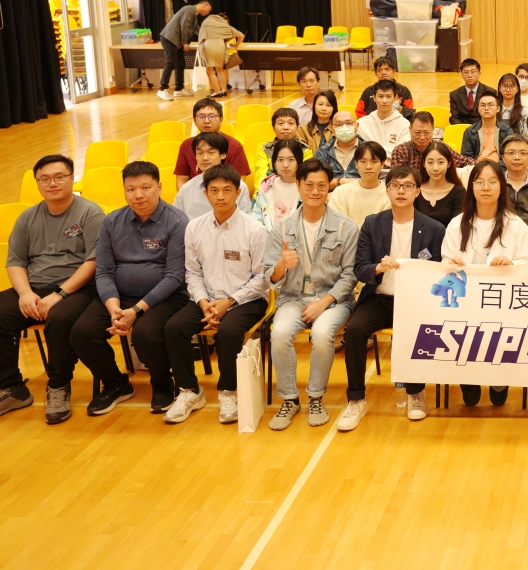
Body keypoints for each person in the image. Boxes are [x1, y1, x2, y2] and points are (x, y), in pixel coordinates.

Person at [0, 156, 105, 424]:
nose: (52, 183)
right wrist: (25, 293)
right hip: (34, 287)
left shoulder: (90, 213)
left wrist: (59, 294)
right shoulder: (27, 217)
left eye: (59, 177)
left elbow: (94, 261)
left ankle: (58, 386)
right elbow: (15, 262)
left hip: (76, 289)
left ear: (72, 178)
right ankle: (11, 388)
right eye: (44, 179)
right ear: (37, 183)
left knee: (60, 319)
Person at [72, 162, 190, 416]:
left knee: (145, 334)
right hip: (120, 296)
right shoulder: (112, 221)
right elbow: (104, 271)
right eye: (131, 189)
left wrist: (135, 311)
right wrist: (114, 308)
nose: (138, 195)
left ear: (159, 187)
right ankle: (116, 383)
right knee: (82, 333)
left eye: (146, 188)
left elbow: (174, 275)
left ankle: (163, 384)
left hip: (165, 297)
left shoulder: (177, 221)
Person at [161, 163, 269, 424]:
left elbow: (262, 278)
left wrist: (228, 302)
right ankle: (189, 390)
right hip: (206, 298)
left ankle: (227, 391)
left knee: (228, 332)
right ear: (205, 193)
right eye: (214, 190)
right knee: (174, 328)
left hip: (246, 299)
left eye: (227, 190)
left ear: (239, 192)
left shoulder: (255, 230)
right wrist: (204, 303)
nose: (220, 196)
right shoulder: (194, 227)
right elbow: (192, 272)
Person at [339, 166, 446, 430]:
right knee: (354, 331)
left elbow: (439, 272)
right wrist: (378, 267)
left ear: (418, 191)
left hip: (415, 300)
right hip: (379, 298)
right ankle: (356, 399)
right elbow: (360, 267)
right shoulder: (372, 224)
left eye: (408, 186)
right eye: (395, 185)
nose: (401, 191)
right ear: (386, 190)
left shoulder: (434, 228)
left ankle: (415, 393)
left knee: (415, 330)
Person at [265, 159, 360, 430]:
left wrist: (324, 302)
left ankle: (316, 397)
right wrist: (282, 266)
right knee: (279, 334)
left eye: (321, 186)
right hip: (293, 298)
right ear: (298, 186)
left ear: (329, 188)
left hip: (333, 300)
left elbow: (350, 275)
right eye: (309, 185)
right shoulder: (282, 228)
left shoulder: (346, 227)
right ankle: (289, 399)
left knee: (322, 334)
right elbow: (270, 276)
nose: (315, 191)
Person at [442, 160, 528, 407]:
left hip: (503, 301)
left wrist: (511, 263)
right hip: (465, 300)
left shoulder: (516, 225)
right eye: (480, 182)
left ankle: (499, 380)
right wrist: (452, 263)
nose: (486, 187)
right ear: (471, 187)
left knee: (501, 331)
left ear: (502, 187)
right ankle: (468, 379)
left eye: (492, 182)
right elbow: (445, 262)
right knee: (461, 330)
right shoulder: (456, 224)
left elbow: (526, 263)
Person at [174, 98, 251, 191]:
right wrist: (187, 198)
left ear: (221, 119)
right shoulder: (186, 145)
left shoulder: (235, 146)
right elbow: (181, 180)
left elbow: (239, 181)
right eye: (201, 116)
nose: (206, 121)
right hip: (194, 196)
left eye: (212, 116)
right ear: (194, 121)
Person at [174, 133, 253, 220]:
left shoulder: (239, 186)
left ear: (223, 155)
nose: (204, 158)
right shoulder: (186, 189)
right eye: (200, 153)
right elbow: (177, 221)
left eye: (211, 153)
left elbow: (246, 221)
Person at [157, 0, 212, 100]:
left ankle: (179, 89)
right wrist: (185, 42)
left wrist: (205, 37)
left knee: (181, 64)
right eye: (209, 10)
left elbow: (196, 28)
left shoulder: (194, 14)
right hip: (170, 38)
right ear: (205, 5)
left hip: (176, 41)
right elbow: (184, 26)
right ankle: (162, 89)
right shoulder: (189, 9)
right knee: (171, 62)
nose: (208, 13)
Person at [388, 111, 475, 174]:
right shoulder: (400, 151)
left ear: (433, 130)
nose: (422, 137)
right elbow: (396, 178)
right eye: (417, 132)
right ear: (410, 130)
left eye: (426, 132)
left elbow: (465, 162)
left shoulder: (442, 148)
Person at [328, 141, 391, 227]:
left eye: (374, 161)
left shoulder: (390, 194)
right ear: (356, 164)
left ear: (382, 164)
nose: (368, 166)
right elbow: (335, 225)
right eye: (363, 161)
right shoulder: (340, 192)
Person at [254, 139, 306, 229]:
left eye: (291, 160)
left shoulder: (307, 187)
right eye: (280, 160)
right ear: (274, 162)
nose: (285, 165)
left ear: (299, 162)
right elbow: (256, 218)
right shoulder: (266, 186)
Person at [415, 141, 467, 227]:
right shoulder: (415, 191)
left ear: (449, 163)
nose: (435, 168)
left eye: (441, 162)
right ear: (424, 164)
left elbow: (457, 227)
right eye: (430, 162)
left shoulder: (459, 192)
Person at [196, 10, 243, 98]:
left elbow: (201, 36)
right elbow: (241, 36)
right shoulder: (224, 25)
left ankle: (217, 92)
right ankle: (224, 90)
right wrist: (236, 45)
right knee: (220, 69)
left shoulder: (206, 22)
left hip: (208, 45)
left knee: (210, 71)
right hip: (220, 45)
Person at [355, 55, 415, 119]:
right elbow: (359, 112)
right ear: (376, 73)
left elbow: (409, 113)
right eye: (379, 70)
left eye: (387, 69)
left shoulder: (404, 91)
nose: (383, 73)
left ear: (394, 71)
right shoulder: (368, 91)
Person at [357, 79, 412, 150]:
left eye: (388, 97)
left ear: (394, 98)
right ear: (374, 98)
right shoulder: (362, 123)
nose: (384, 101)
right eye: (380, 96)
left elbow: (402, 152)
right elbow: (360, 151)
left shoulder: (404, 124)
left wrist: (372, 150)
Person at [317, 110, 365, 189]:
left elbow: (375, 180)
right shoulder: (322, 152)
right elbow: (317, 183)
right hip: (331, 194)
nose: (344, 128)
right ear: (332, 128)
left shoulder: (369, 150)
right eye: (339, 124)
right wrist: (340, 182)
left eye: (349, 123)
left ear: (357, 126)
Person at [461, 92, 515, 161]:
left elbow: (510, 155)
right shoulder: (470, 131)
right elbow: (466, 156)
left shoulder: (506, 130)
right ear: (478, 109)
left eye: (490, 105)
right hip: (477, 165)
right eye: (483, 105)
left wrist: (497, 166)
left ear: (498, 109)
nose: (486, 108)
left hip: (499, 166)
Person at [252, 108, 303, 179]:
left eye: (290, 123)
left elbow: (304, 176)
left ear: (297, 127)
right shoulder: (265, 149)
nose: (286, 127)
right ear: (273, 128)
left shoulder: (305, 149)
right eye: (280, 123)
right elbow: (260, 176)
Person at [450, 58, 497, 126]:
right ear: (462, 75)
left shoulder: (490, 92)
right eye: (466, 72)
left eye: (473, 72)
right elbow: (454, 117)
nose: (469, 75)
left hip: (483, 127)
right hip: (462, 129)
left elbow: (492, 115)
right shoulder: (454, 94)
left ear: (479, 73)